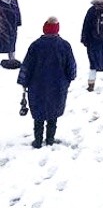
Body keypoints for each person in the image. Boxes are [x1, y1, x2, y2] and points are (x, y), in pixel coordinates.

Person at [17, 17, 77, 148]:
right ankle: (50, 139)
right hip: (58, 86)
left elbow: (27, 65)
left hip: (37, 86)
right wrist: (69, 79)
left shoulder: (35, 45)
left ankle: (38, 140)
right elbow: (71, 66)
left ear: (44, 29)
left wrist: (23, 81)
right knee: (53, 113)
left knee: (38, 114)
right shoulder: (65, 45)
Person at [0, 0, 22, 64]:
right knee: (11, 43)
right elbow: (17, 13)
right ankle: (11, 58)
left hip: (1, 26)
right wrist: (18, 22)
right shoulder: (13, 0)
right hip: (12, 26)